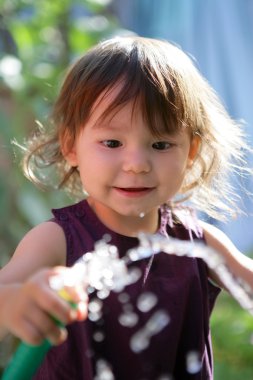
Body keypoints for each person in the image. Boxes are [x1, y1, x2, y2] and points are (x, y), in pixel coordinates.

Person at [0, 36, 253, 380]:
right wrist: (13, 304)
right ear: (72, 146)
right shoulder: (56, 241)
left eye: (161, 144)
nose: (136, 164)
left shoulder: (198, 241)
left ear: (190, 151)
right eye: (112, 142)